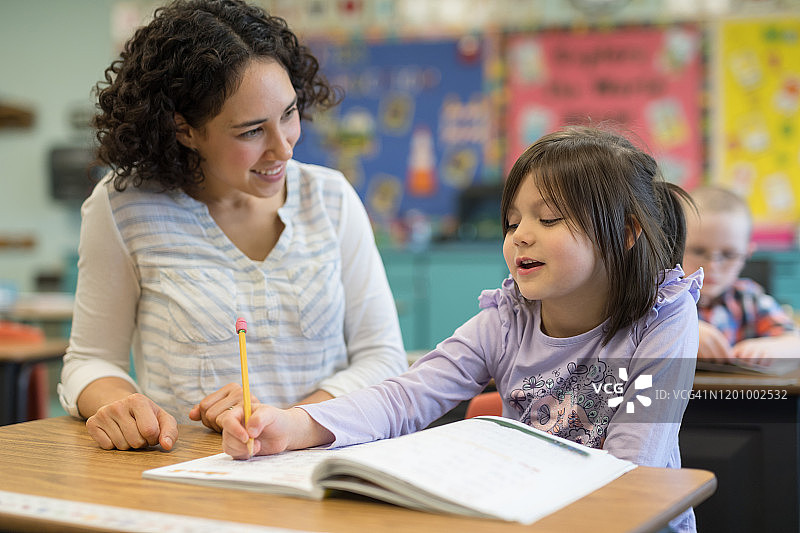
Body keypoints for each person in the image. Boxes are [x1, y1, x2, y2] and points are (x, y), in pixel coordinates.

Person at [221, 126, 703, 532]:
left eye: (548, 218)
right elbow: (405, 397)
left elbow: (633, 465)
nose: (521, 237)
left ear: (625, 232)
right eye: (512, 223)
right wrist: (293, 424)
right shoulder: (507, 319)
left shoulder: (664, 319)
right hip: (533, 515)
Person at [58, 0, 407, 453]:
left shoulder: (331, 199)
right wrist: (124, 404)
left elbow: (383, 357)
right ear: (185, 130)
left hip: (324, 467)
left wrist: (293, 423)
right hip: (187, 477)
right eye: (250, 132)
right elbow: (89, 360)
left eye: (288, 113)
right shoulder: (124, 207)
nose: (283, 149)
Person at [682, 185, 800, 366]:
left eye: (729, 255)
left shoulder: (749, 298)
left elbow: (795, 342)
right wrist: (681, 331)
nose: (713, 266)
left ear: (747, 254)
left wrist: (769, 348)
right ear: (675, 246)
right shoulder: (661, 297)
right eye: (698, 251)